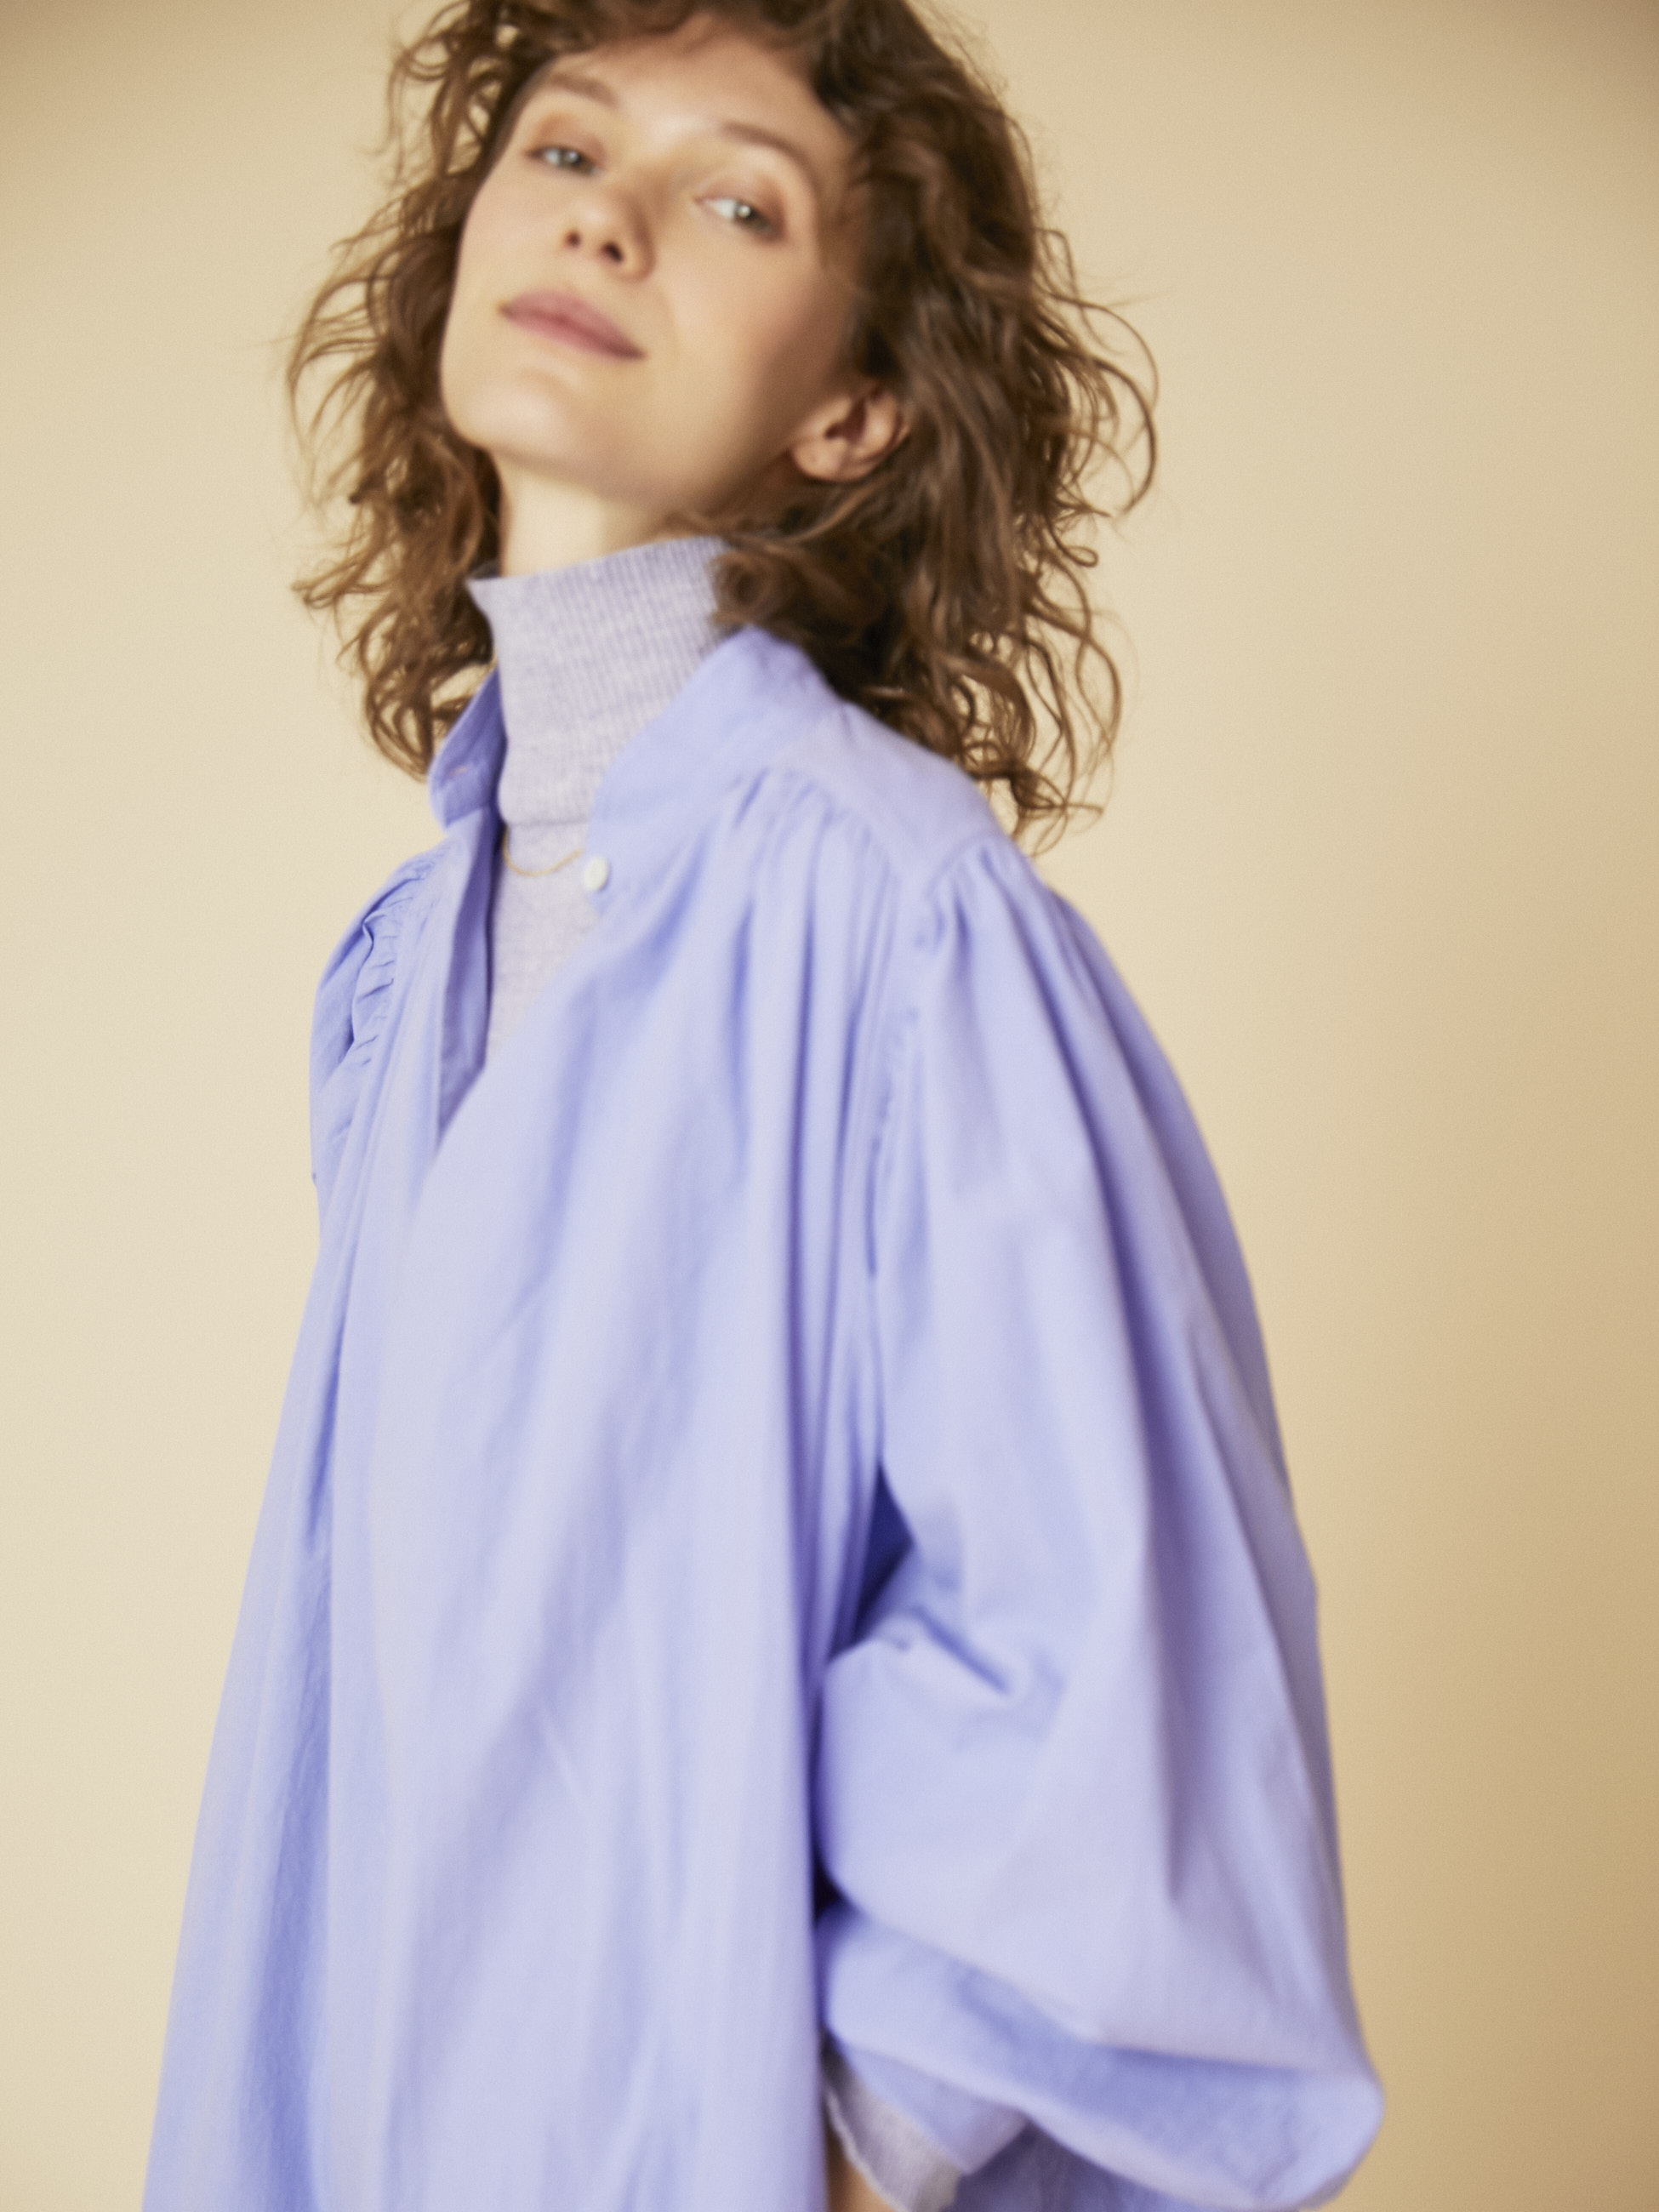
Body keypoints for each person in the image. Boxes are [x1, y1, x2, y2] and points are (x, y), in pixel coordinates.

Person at [145, 2, 1382, 2207]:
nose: (605, 222)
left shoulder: (899, 925)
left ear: (855, 408)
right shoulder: (409, 960)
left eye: (737, 201)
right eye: (562, 149)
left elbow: (1100, 1647)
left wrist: (848, 2145)